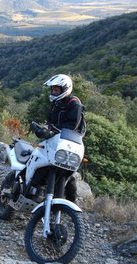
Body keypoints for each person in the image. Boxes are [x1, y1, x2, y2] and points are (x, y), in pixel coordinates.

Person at [31, 74, 86, 202]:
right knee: (39, 159)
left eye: (57, 90)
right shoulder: (56, 103)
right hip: (54, 141)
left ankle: (69, 205)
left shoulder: (74, 105)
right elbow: (50, 121)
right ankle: (33, 187)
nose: (54, 92)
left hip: (68, 143)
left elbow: (72, 126)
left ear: (65, 89)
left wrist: (52, 131)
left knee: (68, 173)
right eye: (53, 90)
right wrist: (44, 129)